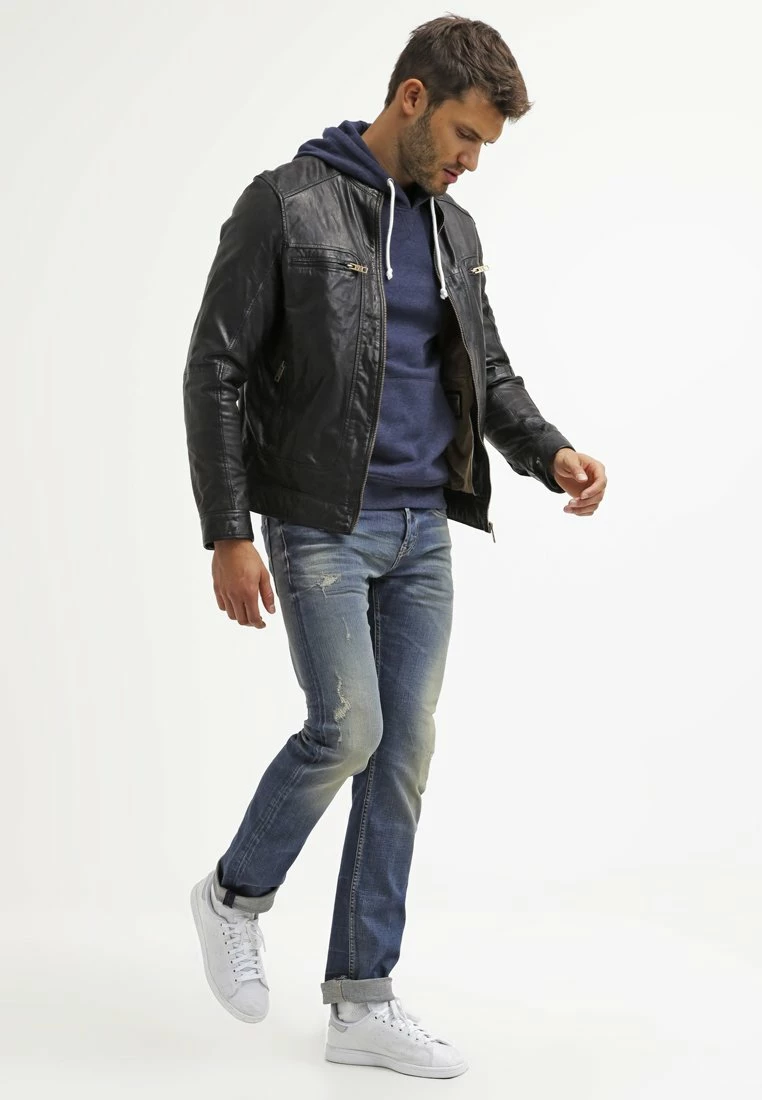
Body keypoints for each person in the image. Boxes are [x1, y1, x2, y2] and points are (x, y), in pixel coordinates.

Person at [183, 13, 607, 1080]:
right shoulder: (286, 202)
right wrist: (229, 530)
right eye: (465, 136)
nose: (471, 162)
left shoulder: (452, 230)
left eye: (484, 147)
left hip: (425, 529)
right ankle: (234, 894)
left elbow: (487, 372)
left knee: (403, 753)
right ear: (412, 98)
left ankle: (361, 997)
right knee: (350, 727)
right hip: (320, 519)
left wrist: (550, 451)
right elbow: (216, 366)